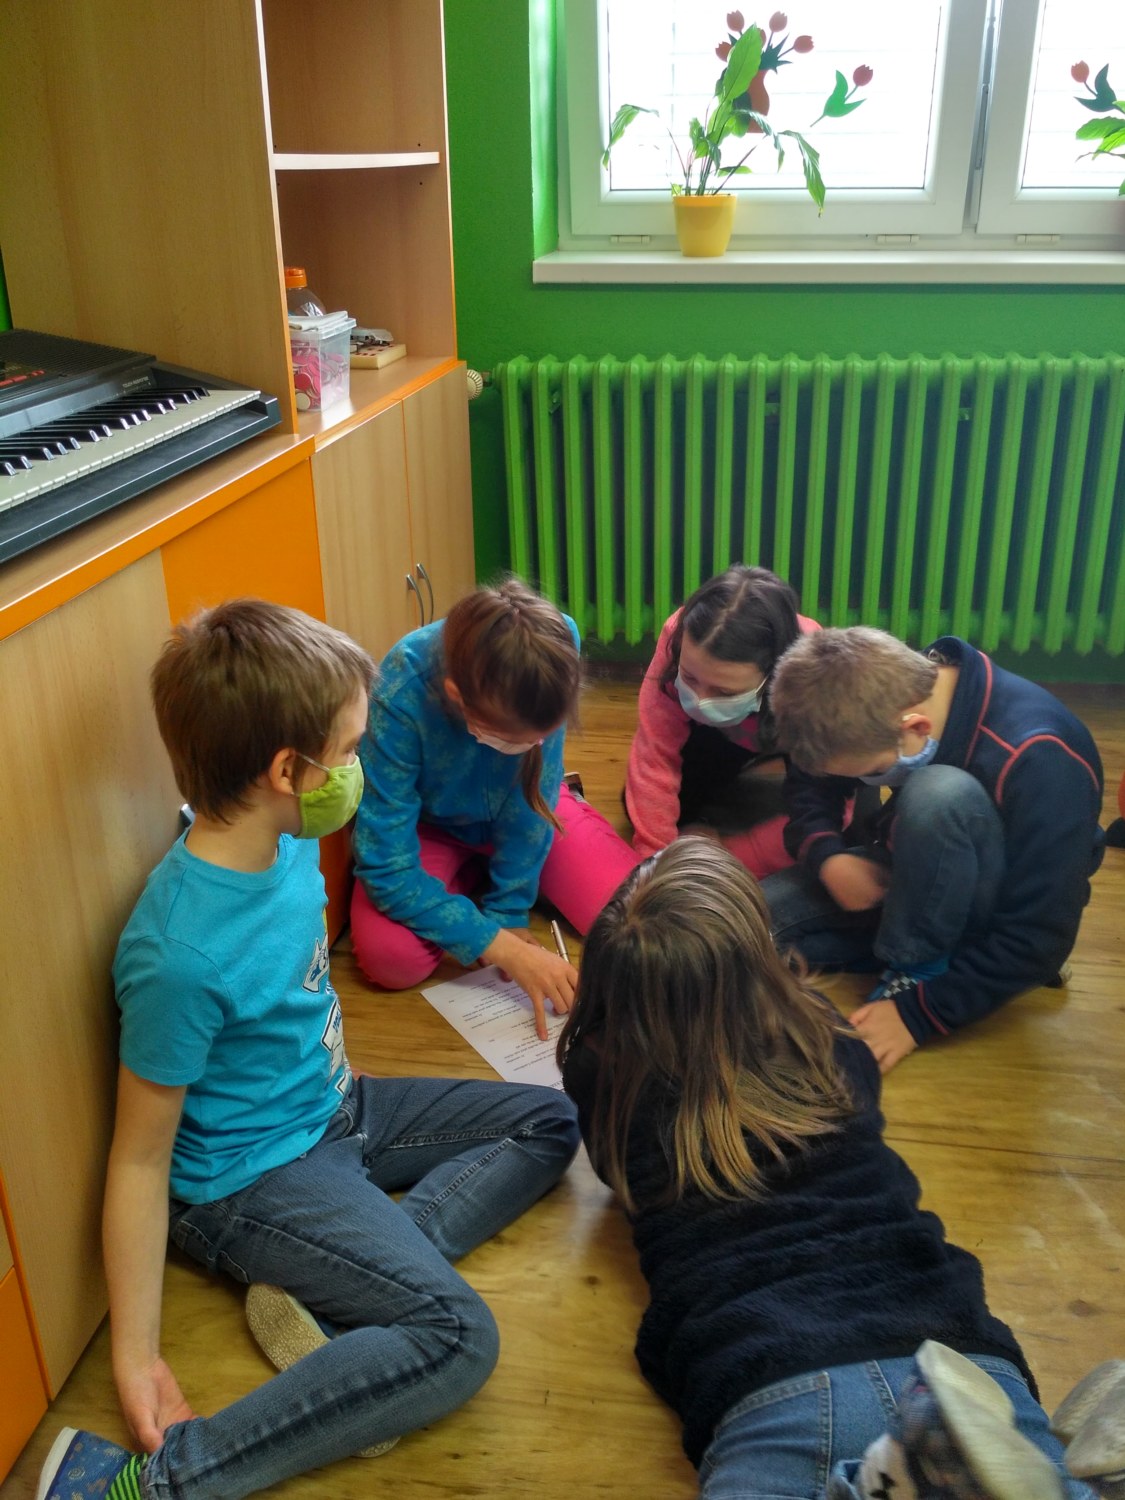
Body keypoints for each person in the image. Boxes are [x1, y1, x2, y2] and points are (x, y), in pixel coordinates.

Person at [36, 598, 581, 1500]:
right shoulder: (178, 954)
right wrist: (136, 1357)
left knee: (553, 1122)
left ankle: (351, 1281)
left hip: (335, 1106)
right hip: (250, 1181)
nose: (359, 769)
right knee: (456, 1338)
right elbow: (139, 1163)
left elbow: (296, 992)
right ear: (287, 770)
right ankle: (162, 1480)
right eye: (351, 750)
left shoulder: (287, 842)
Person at [556, 838, 1121, 1500]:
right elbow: (862, 1109)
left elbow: (618, 1178)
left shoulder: (603, 1072)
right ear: (758, 954)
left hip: (769, 1364)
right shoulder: (819, 1027)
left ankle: (888, 1481)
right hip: (952, 1362)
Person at [760, 627, 1105, 1071]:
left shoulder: (1043, 758)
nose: (867, 780)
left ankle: (918, 966)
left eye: (871, 771)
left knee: (938, 792)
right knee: (752, 922)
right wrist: (829, 858)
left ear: (915, 727)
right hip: (910, 871)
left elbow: (1040, 934)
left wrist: (917, 1014)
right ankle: (912, 949)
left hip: (999, 907)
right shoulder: (883, 693)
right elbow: (811, 783)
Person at [350, 576, 638, 1038]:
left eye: (538, 737)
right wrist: (499, 944)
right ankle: (465, 878)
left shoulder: (555, 647)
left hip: (529, 809)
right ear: (457, 696)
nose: (531, 745)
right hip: (432, 828)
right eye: (513, 737)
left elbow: (537, 794)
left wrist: (510, 908)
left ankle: (474, 884)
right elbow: (387, 866)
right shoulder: (400, 689)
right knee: (391, 959)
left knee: (629, 908)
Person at [625, 564, 823, 877]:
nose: (700, 699)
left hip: (790, 732)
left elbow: (828, 809)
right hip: (724, 735)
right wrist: (656, 864)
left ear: (773, 675)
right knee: (638, 804)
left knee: (831, 831)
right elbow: (653, 757)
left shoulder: (814, 673)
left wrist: (728, 858)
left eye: (724, 691)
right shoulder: (679, 633)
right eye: (689, 677)